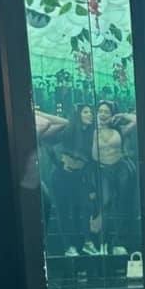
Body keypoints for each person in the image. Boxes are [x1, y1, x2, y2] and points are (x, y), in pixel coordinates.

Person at [92, 101, 139, 255]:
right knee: (104, 204)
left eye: (106, 111)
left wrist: (123, 115)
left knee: (122, 204)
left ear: (112, 115)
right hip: (102, 170)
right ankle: (102, 243)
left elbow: (137, 120)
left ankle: (119, 242)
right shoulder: (92, 130)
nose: (103, 114)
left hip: (121, 169)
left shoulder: (120, 130)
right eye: (100, 111)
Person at [52, 105, 95, 257]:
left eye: (91, 112)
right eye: (85, 112)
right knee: (63, 211)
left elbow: (91, 159)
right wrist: (60, 163)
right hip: (62, 175)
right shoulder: (68, 130)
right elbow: (49, 145)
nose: (90, 114)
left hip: (79, 176)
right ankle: (68, 246)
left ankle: (86, 242)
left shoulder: (91, 133)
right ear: (78, 115)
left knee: (84, 207)